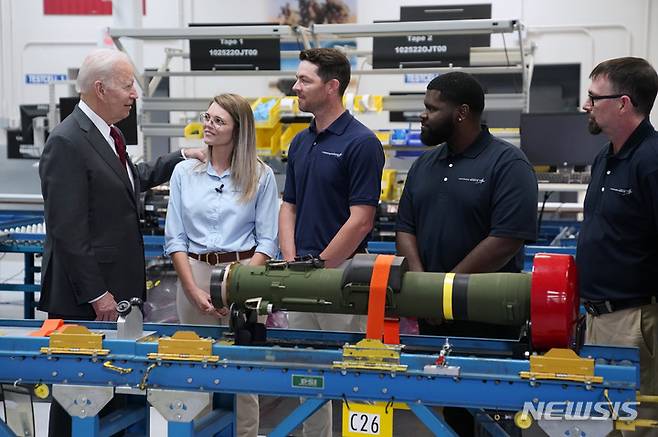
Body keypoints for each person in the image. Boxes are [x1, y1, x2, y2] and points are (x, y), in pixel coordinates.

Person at [38, 48, 205, 437]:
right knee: (78, 396)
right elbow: (67, 230)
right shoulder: (67, 141)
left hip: (117, 294)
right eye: (128, 85)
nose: (135, 94)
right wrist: (98, 295)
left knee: (112, 393)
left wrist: (180, 157)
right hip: (88, 299)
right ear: (100, 88)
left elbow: (131, 179)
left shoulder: (107, 135)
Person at [395, 72, 538, 435]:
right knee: (454, 413)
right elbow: (405, 227)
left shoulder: (508, 164)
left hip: (490, 319)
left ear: (461, 112)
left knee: (496, 416)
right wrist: (426, 287)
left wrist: (446, 290)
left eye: (431, 108)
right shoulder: (424, 165)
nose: (423, 115)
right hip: (434, 317)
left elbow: (507, 238)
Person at [279, 47, 384, 437]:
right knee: (308, 375)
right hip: (301, 274)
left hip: (342, 276)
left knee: (358, 373)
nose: (296, 86)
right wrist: (292, 262)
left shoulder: (361, 143)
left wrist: (318, 267)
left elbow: (361, 221)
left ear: (332, 86)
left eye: (305, 80)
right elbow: (288, 206)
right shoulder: (301, 142)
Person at [164, 93, 279, 437]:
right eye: (207, 117)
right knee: (195, 369)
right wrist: (192, 288)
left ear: (238, 130)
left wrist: (238, 284)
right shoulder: (185, 173)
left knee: (243, 373)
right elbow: (176, 238)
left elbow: (268, 240)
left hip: (244, 274)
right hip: (194, 274)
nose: (208, 125)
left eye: (218, 121)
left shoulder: (261, 175)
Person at [577, 57, 658, 437]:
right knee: (602, 426)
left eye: (594, 97)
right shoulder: (604, 158)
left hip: (633, 322)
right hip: (596, 319)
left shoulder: (651, 161)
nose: (586, 105)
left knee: (636, 427)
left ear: (623, 103)